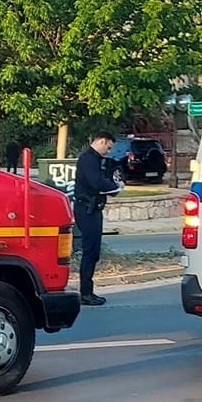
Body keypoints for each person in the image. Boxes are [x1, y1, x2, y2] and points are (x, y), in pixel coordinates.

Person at [73, 130, 122, 306]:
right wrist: (115, 188)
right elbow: (96, 182)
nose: (108, 151)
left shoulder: (95, 159)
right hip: (87, 209)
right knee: (90, 251)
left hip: (92, 209)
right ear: (102, 141)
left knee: (93, 252)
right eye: (108, 147)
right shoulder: (88, 159)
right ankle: (86, 292)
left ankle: (88, 290)